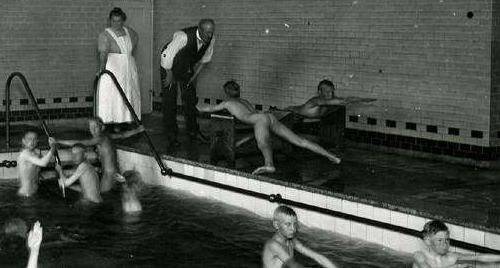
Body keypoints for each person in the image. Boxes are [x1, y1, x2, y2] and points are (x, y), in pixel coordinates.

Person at [200, 81, 342, 174]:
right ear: (238, 92)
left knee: (263, 143)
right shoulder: (244, 101)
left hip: (259, 120)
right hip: (267, 117)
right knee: (300, 141)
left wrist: (197, 107)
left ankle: (269, 164)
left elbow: (209, 108)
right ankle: (333, 157)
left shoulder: (227, 103)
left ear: (226, 93)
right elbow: (254, 118)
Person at [262, 205, 363, 268]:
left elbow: (317, 257)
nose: (293, 228)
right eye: (288, 224)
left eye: (295, 224)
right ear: (276, 225)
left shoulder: (292, 241)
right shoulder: (273, 245)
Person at [159, 18, 215, 146]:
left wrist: (194, 76)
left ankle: (193, 132)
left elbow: (205, 59)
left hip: (186, 66)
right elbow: (166, 55)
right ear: (199, 29)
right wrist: (169, 74)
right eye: (206, 32)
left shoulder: (211, 38)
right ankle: (172, 135)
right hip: (168, 65)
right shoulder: (182, 36)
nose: (209, 35)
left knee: (190, 98)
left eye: (211, 32)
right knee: (169, 100)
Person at [51, 117, 141, 193]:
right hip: (116, 172)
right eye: (91, 127)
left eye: (96, 127)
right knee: (116, 195)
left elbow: (80, 142)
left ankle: (67, 185)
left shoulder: (100, 139)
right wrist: (138, 130)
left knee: (97, 193)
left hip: (109, 174)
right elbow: (123, 135)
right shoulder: (107, 136)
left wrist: (58, 141)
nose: (93, 130)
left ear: (102, 128)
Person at [96, 7, 141, 127]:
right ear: (110, 20)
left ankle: (128, 119)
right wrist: (102, 67)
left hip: (128, 67)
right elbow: (103, 52)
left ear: (123, 20)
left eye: (119, 21)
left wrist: (127, 56)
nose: (116, 24)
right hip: (114, 67)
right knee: (115, 94)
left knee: (129, 92)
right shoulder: (105, 35)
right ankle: (114, 123)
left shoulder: (128, 31)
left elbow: (136, 38)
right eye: (113, 21)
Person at [274, 80, 377, 121]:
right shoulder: (317, 100)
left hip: (300, 115)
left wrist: (362, 99)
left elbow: (344, 99)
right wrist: (363, 100)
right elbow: (343, 101)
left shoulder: (330, 100)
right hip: (288, 112)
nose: (331, 94)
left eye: (332, 91)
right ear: (320, 92)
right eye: (327, 92)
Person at [17, 130, 58, 197]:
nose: (32, 142)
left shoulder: (37, 152)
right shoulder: (24, 154)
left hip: (36, 190)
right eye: (29, 139)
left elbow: (38, 169)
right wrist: (53, 148)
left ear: (37, 141)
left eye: (35, 139)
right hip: (26, 193)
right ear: (23, 141)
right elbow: (43, 163)